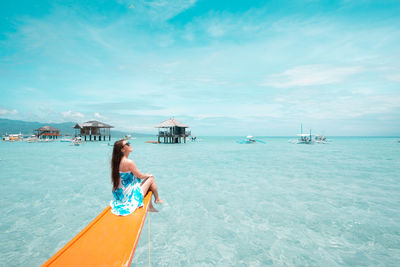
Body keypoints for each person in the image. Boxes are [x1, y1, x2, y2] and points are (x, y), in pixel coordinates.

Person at [110, 139, 163, 216]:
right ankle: (157, 199)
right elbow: (140, 176)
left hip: (122, 195)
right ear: (123, 149)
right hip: (130, 197)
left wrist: (146, 175)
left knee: (148, 178)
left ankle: (151, 206)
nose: (130, 144)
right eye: (127, 144)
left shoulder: (117, 162)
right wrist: (148, 175)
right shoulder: (129, 162)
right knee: (151, 178)